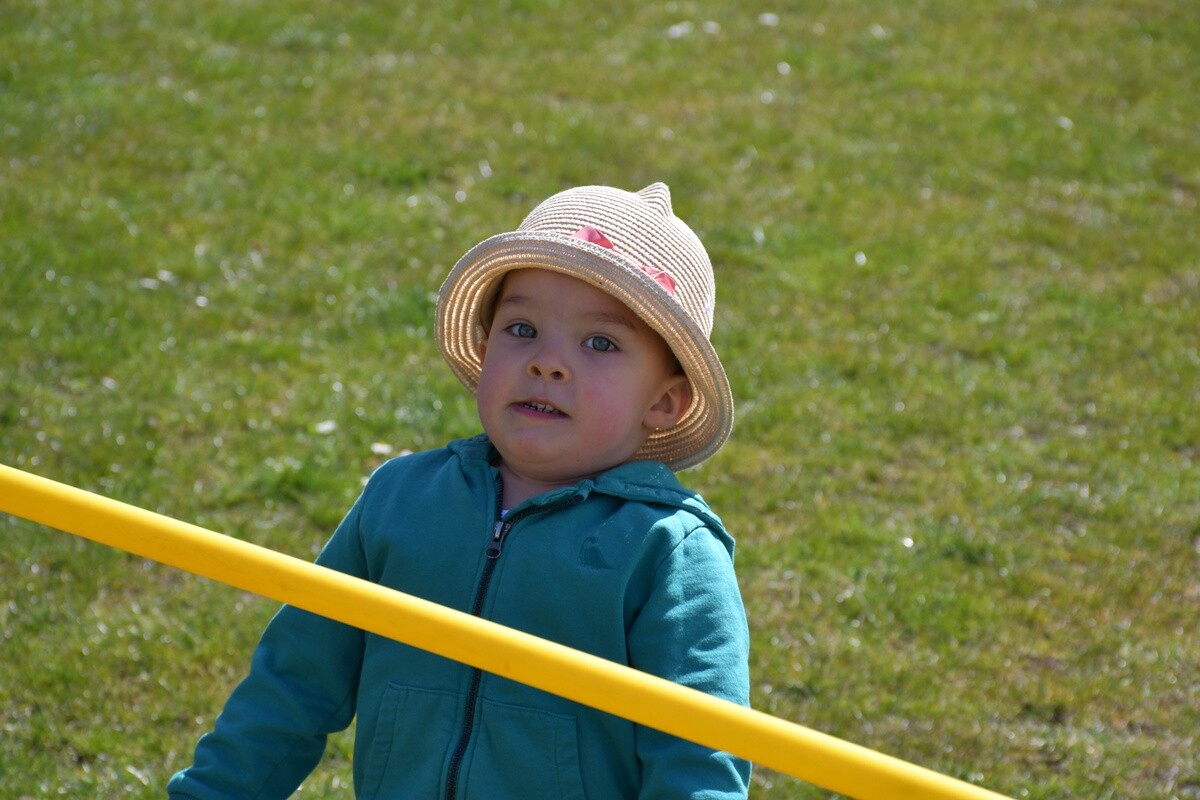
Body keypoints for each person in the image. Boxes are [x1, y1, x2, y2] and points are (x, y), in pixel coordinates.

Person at [167, 182, 751, 799]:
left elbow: (698, 761)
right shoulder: (401, 500)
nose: (547, 363)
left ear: (663, 401)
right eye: (521, 328)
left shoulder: (670, 553)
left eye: (600, 343)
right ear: (482, 343)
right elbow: (294, 683)